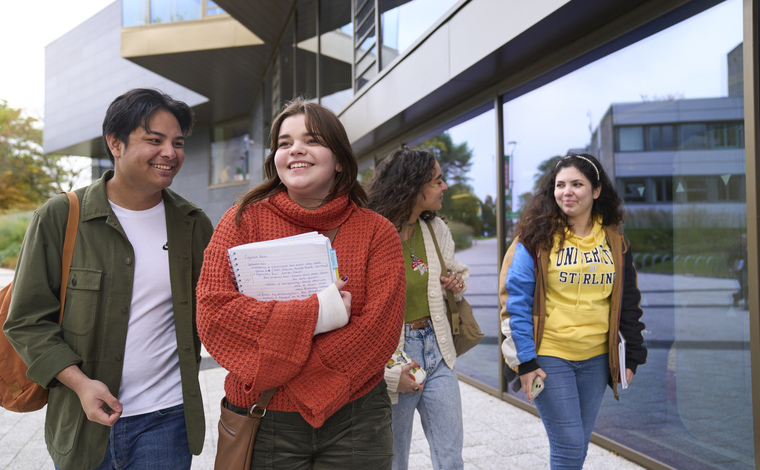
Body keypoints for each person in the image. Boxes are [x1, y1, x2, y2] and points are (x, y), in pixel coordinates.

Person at [4, 88, 213, 469]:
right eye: (154, 140)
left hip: (167, 420)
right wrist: (81, 385)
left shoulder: (193, 225)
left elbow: (219, 308)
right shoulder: (60, 217)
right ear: (115, 143)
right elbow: (25, 321)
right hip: (82, 421)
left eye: (177, 142)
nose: (170, 152)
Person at [196, 98, 406, 469]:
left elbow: (379, 331)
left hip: (357, 417)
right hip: (264, 414)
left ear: (339, 159)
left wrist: (282, 361)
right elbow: (215, 315)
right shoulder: (241, 221)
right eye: (284, 142)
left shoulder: (378, 232)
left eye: (312, 140)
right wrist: (321, 312)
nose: (295, 149)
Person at [498, 153, 647, 470]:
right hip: (549, 356)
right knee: (568, 444)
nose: (567, 191)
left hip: (596, 359)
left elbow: (629, 300)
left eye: (577, 184)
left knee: (577, 444)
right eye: (560, 184)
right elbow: (517, 304)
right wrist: (525, 362)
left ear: (595, 191)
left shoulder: (615, 241)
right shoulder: (534, 240)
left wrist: (631, 354)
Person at [367, 147, 469, 470]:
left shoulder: (434, 228)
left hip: (437, 348)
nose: (444, 187)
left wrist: (455, 282)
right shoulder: (373, 233)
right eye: (438, 181)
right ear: (413, 186)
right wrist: (390, 371)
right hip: (395, 354)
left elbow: (456, 271)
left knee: (450, 458)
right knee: (394, 460)